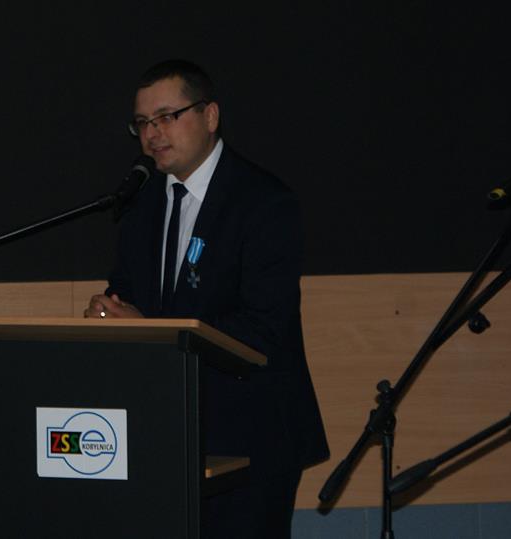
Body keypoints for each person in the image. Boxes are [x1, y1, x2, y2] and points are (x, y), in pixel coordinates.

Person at [84, 59, 329, 538]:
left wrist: (152, 331)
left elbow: (263, 328)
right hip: (166, 433)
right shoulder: (142, 203)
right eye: (142, 123)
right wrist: (110, 314)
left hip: (252, 437)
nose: (152, 133)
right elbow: (127, 292)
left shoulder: (264, 202)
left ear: (210, 115)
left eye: (166, 117)